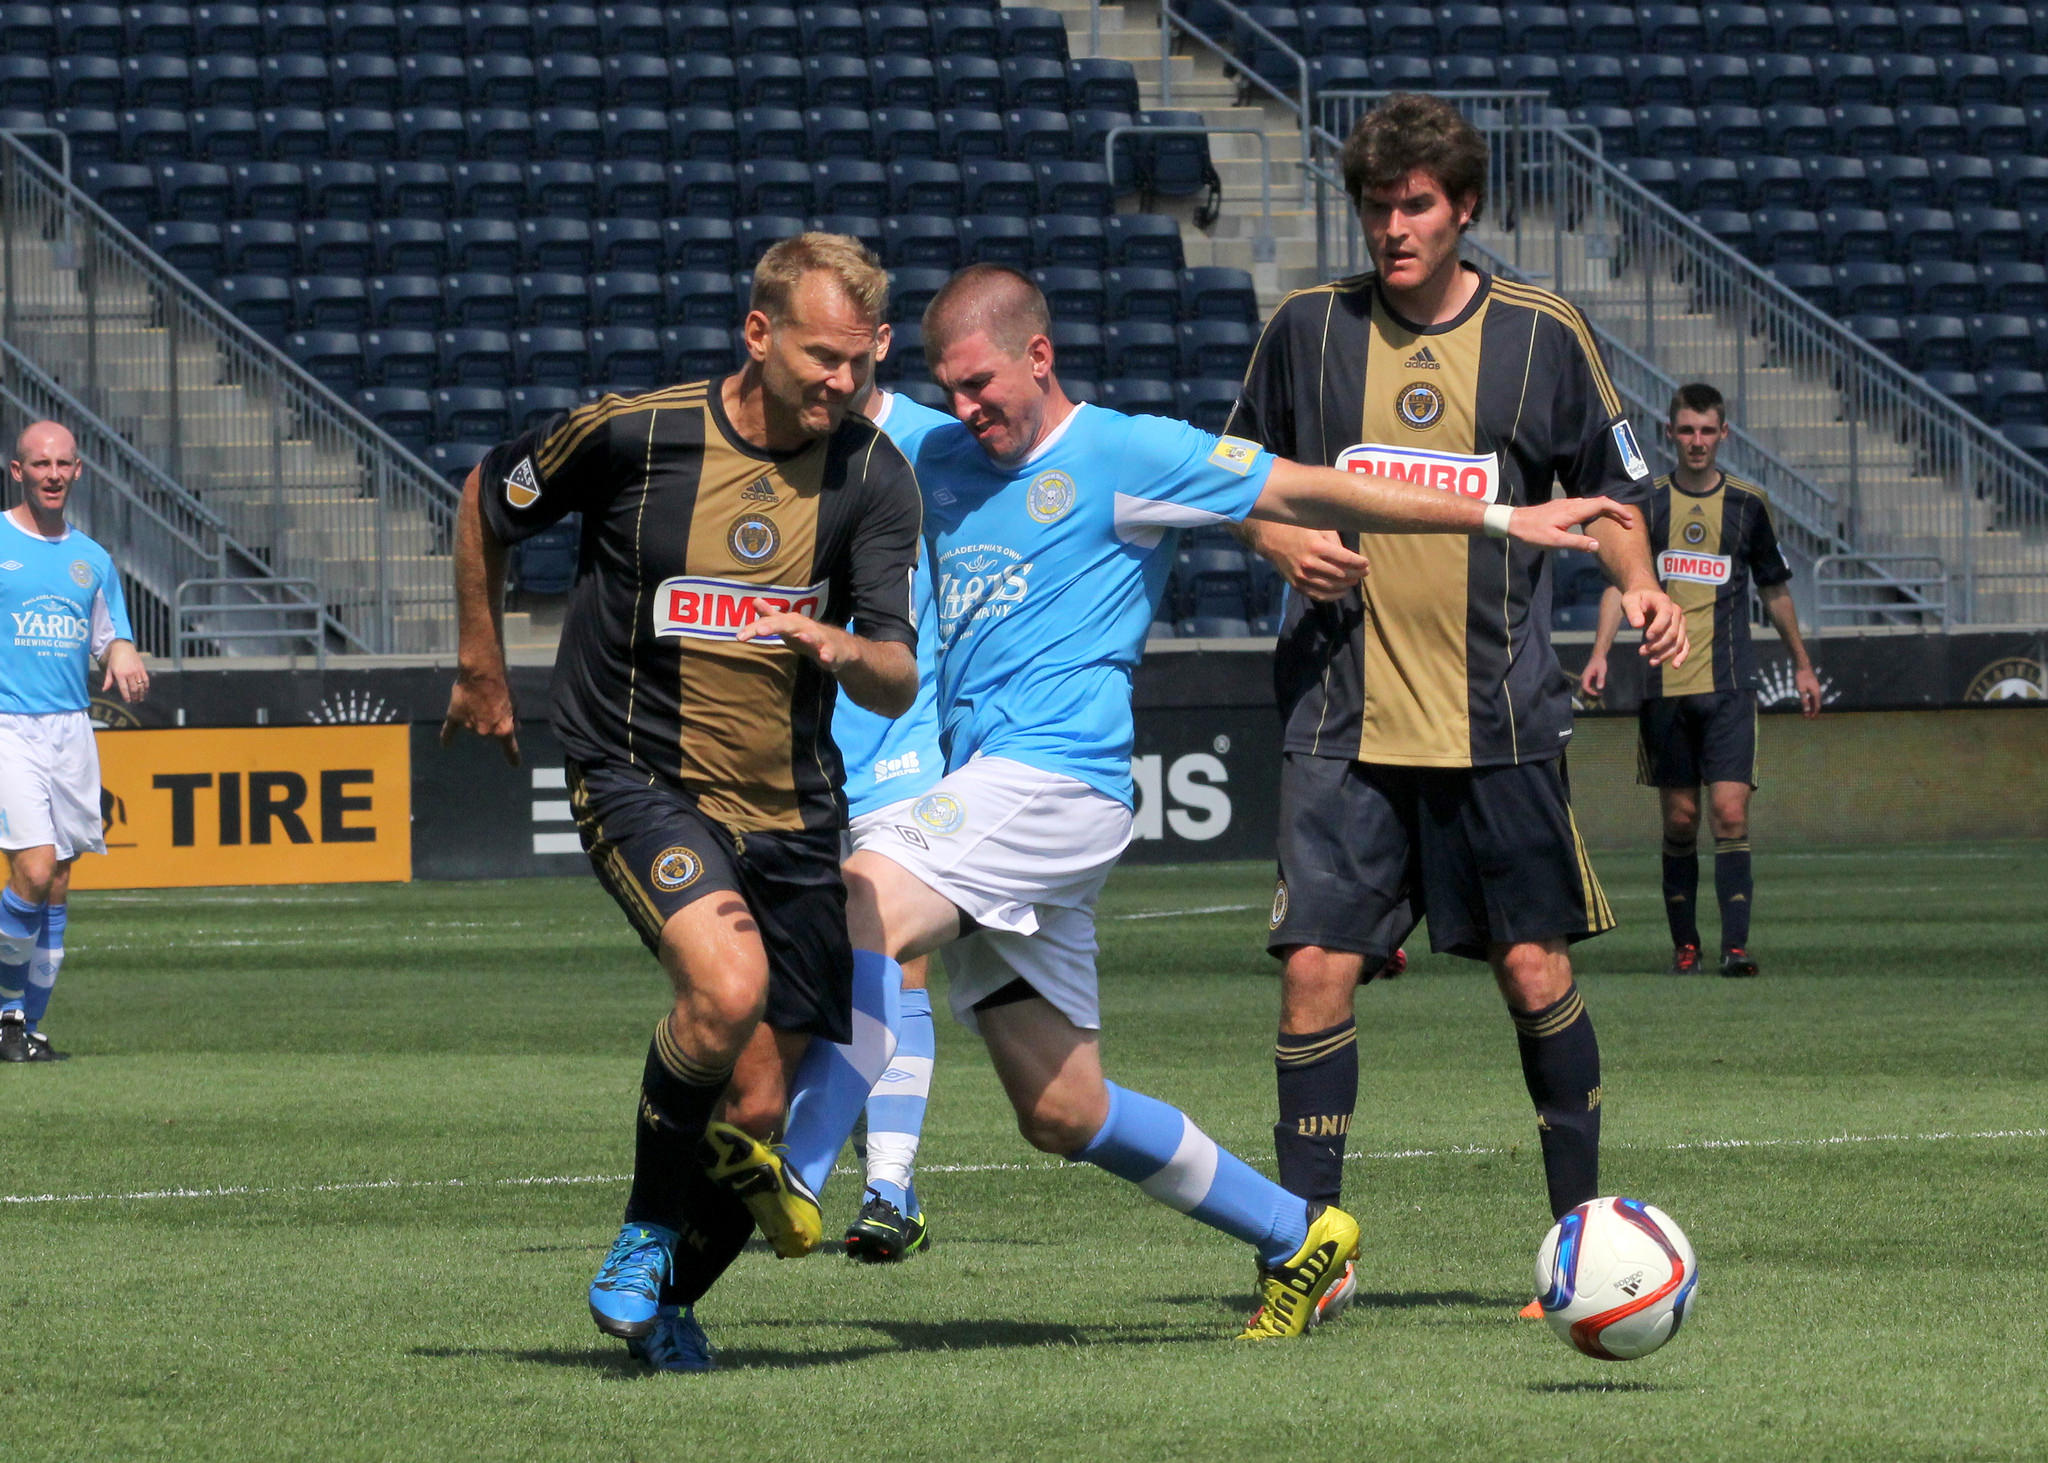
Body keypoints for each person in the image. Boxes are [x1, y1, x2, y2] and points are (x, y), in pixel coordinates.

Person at [774, 263, 1646, 1341]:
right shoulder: (935, 449)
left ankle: (793, 1174)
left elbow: (1312, 487)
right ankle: (1298, 1236)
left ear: (1037, 357)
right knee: (1061, 1109)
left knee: (863, 898)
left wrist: (1503, 519)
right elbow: (825, 410)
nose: (965, 409)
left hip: (1057, 780)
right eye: (947, 388)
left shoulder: (1126, 452)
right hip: (986, 788)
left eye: (981, 384)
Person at [1224, 93, 1689, 1320]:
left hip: (1498, 724)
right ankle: (1309, 1255)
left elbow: (1612, 497)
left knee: (1532, 970)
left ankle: (1576, 1250)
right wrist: (1281, 547)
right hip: (1339, 717)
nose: (1392, 229)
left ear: (1462, 206)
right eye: (1375, 208)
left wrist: (1640, 588)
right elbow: (1237, 481)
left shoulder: (1541, 335)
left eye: (1414, 206)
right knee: (1313, 971)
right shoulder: (1304, 332)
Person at [440, 234, 924, 1372]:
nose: (838, 384)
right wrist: (480, 662)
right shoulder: (632, 433)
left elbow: (896, 675)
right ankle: (643, 1234)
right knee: (726, 985)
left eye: (858, 363)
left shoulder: (873, 474)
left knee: (756, 1104)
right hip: (633, 771)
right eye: (818, 357)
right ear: (756, 334)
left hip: (794, 811)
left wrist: (842, 646)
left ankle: (663, 1302)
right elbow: (485, 498)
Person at [1580, 382, 1820, 979]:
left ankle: (1736, 948)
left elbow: (1774, 588)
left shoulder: (1747, 505)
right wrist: (1601, 652)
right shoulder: (1647, 506)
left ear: (1723, 436)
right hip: (1664, 688)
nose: (1696, 441)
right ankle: (1684, 944)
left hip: (1730, 686)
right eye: (1686, 430)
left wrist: (1802, 662)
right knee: (1681, 821)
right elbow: (1620, 581)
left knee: (1731, 815)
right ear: (1670, 434)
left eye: (1707, 431)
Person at [813, 359, 954, 1264]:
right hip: (793, 740)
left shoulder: (936, 440)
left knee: (898, 957)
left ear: (880, 341)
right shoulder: (775, 444)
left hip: (905, 734)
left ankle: (887, 1187)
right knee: (808, 968)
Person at [0, 421, 150, 1063]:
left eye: (64, 464)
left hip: (71, 729)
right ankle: (4, 1015)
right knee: (32, 869)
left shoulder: (93, 559)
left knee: (57, 882)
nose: (53, 474)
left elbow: (111, 632)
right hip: (8, 725)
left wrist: (123, 655)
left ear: (79, 471)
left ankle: (24, 1031)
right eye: (41, 464)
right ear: (18, 471)